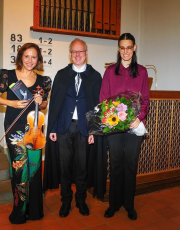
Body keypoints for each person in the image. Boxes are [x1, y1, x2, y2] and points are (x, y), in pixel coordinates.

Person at [43, 38, 102, 218]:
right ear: (70, 54)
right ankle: (66, 200)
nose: (77, 55)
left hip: (84, 128)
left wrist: (94, 130)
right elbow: (55, 104)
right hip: (63, 128)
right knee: (65, 166)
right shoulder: (61, 75)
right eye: (74, 52)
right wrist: (52, 128)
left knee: (82, 167)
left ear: (86, 53)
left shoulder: (95, 76)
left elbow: (97, 106)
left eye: (80, 51)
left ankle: (81, 200)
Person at [100, 33, 150, 220]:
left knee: (130, 165)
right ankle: (114, 204)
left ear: (134, 48)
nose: (126, 51)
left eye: (129, 47)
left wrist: (139, 118)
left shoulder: (143, 72)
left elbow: (145, 99)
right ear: (118, 49)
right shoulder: (110, 71)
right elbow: (104, 99)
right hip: (114, 127)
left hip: (134, 126)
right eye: (122, 47)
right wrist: (112, 117)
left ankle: (129, 204)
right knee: (116, 165)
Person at [0, 43, 51, 224]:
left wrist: (41, 101)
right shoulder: (7, 75)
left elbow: (44, 105)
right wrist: (11, 103)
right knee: (20, 169)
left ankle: (35, 211)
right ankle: (20, 211)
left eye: (34, 57)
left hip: (35, 129)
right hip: (14, 129)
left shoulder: (44, 81)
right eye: (27, 56)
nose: (30, 60)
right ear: (21, 56)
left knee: (34, 169)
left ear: (38, 59)